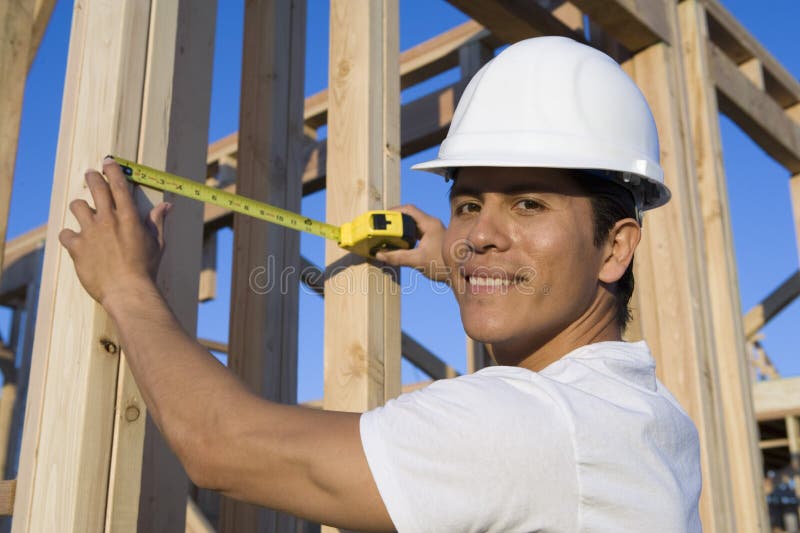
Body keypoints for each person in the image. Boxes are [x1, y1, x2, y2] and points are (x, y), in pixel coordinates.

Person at [59, 36, 701, 532]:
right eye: (469, 205)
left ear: (616, 247)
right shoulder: (648, 416)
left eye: (529, 205)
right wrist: (454, 257)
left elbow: (222, 447)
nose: (480, 233)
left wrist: (126, 286)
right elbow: (494, 254)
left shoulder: (531, 423)